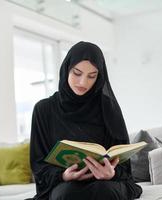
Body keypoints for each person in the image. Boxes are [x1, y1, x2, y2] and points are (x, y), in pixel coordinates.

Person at [28, 41, 142, 200]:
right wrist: (64, 175)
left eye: (92, 76)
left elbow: (124, 165)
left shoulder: (108, 107)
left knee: (104, 191)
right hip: (64, 184)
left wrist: (112, 172)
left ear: (99, 77)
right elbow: (38, 165)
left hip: (105, 183)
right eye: (77, 73)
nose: (83, 82)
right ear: (67, 69)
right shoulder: (43, 110)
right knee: (66, 194)